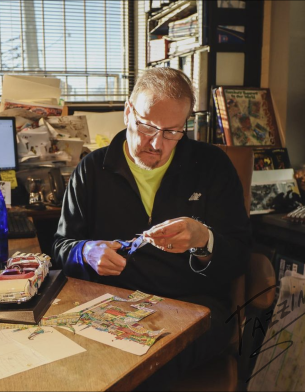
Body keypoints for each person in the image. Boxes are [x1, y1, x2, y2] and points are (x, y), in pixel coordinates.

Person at [52, 68, 252, 388]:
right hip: (112, 303)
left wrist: (204, 240)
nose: (157, 144)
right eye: (147, 126)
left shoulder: (212, 166)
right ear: (128, 112)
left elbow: (241, 254)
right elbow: (61, 247)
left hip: (195, 306)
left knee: (136, 370)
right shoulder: (91, 170)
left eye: (172, 132)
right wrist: (85, 252)